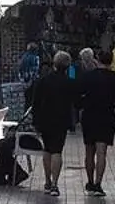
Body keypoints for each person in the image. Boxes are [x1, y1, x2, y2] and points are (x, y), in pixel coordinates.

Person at [25, 51, 78, 196]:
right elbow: (76, 103)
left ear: (54, 64)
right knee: (57, 151)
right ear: (67, 66)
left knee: (47, 150)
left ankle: (47, 181)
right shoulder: (69, 83)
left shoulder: (43, 81)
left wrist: (35, 122)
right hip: (61, 120)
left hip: (45, 119)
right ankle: (55, 184)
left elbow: (35, 103)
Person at [74, 49, 115, 196]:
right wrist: (113, 103)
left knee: (89, 151)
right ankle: (98, 184)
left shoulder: (88, 76)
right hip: (106, 115)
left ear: (97, 59)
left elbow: (78, 95)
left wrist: (84, 104)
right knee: (101, 151)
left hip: (89, 115)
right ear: (112, 61)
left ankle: (89, 182)